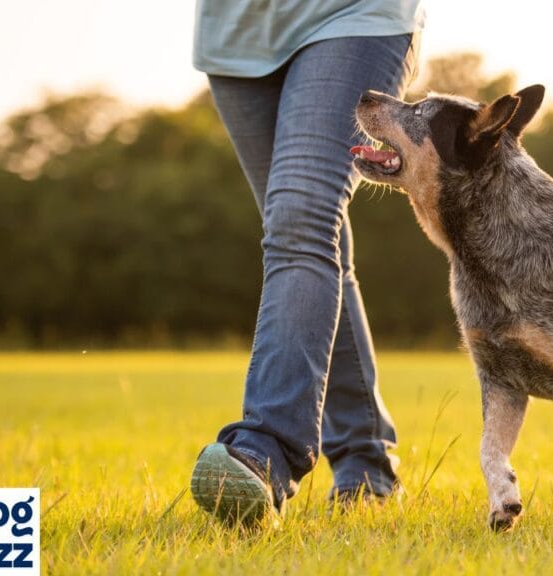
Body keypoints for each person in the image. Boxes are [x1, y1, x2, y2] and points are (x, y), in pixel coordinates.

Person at [188, 0, 424, 524]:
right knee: (307, 236)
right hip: (238, 36)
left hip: (352, 16)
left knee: (302, 221)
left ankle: (266, 450)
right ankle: (367, 466)